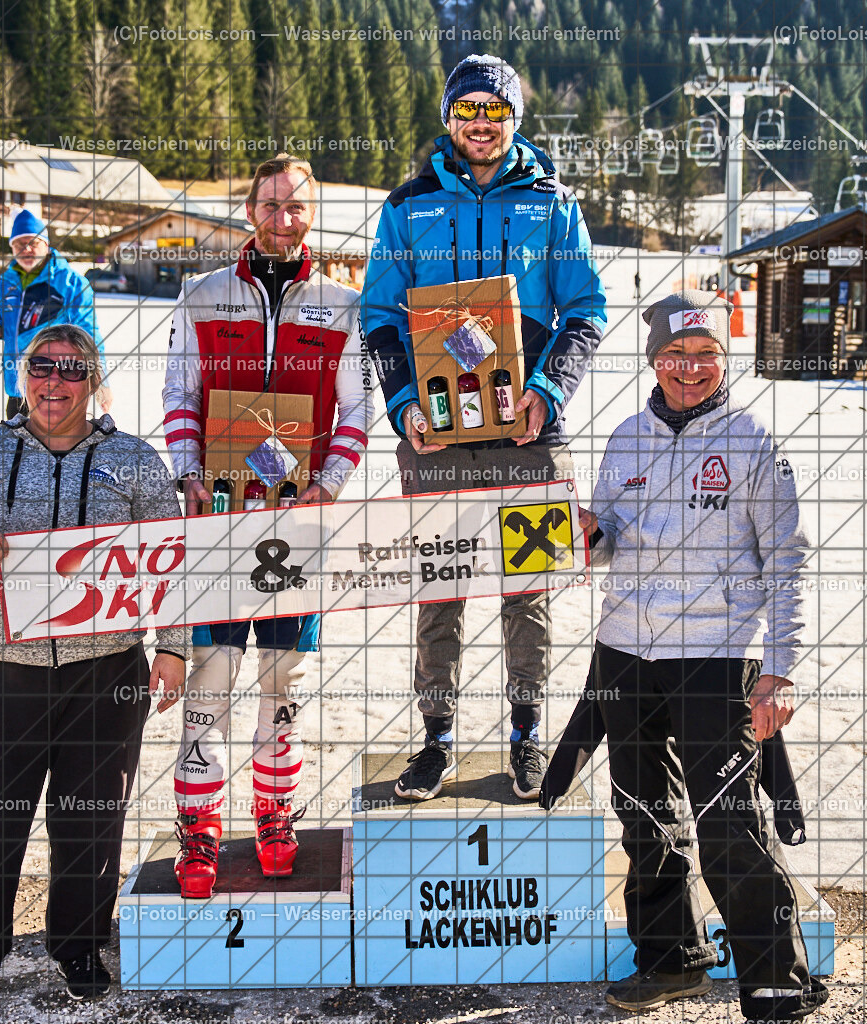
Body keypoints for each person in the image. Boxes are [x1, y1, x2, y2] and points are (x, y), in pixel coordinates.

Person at [0, 324, 188, 1014]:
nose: (54, 384)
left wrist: (174, 647)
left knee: (89, 821)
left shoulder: (133, 460)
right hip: (4, 670)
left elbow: (177, 560)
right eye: (41, 369)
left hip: (108, 672)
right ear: (21, 375)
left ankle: (77, 944)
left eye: (70, 371)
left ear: (91, 380)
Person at [361, 53, 606, 802]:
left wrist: (546, 390)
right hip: (436, 431)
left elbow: (585, 311)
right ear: (447, 118)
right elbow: (377, 315)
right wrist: (404, 405)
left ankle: (527, 734)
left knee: (525, 585)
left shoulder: (551, 202)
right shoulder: (406, 205)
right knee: (439, 585)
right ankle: (435, 740)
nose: (479, 123)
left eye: (492, 111)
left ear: (512, 119)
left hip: (525, 427)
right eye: (466, 109)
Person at [579, 291, 828, 1022]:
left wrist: (779, 671)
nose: (690, 369)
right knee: (642, 815)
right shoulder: (625, 434)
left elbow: (788, 559)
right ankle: (669, 960)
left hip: (715, 660)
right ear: (653, 360)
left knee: (728, 823)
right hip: (623, 652)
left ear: (724, 359)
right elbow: (608, 537)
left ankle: (774, 975)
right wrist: (591, 533)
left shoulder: (751, 440)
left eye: (704, 355)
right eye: (674, 356)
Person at [160, 154, 372, 896]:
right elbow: (180, 395)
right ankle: (199, 831)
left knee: (283, 683)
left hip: (297, 529)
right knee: (209, 680)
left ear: (311, 214)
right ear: (249, 208)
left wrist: (328, 483)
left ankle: (274, 815)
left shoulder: (341, 304)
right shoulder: (202, 294)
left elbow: (356, 411)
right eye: (271, 204)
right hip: (216, 522)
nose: (283, 218)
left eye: (297, 207)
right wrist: (187, 470)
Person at [0, 210, 105, 418]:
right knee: (18, 449)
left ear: (46, 244)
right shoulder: (9, 281)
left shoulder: (72, 284)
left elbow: (89, 336)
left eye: (32, 243)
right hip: (16, 388)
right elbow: (13, 324)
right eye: (18, 244)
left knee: (56, 449)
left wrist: (101, 380)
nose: (26, 249)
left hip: (55, 387)